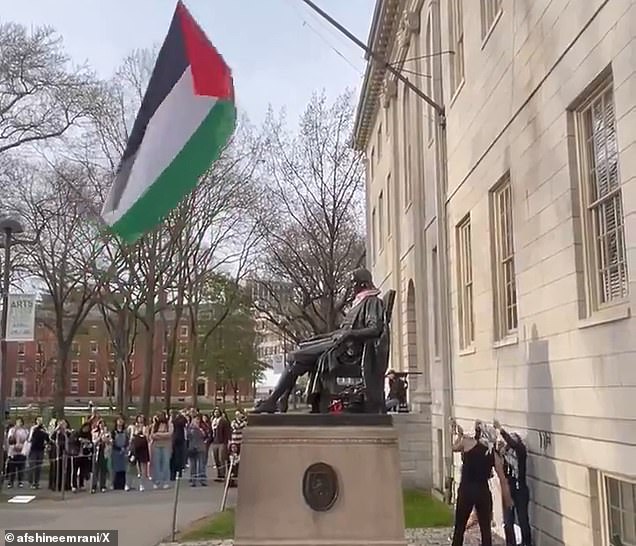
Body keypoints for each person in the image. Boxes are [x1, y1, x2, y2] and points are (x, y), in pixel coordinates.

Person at [254, 268, 387, 413]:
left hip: (348, 352)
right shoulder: (360, 302)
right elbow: (342, 331)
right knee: (301, 348)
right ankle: (281, 399)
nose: (351, 287)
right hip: (338, 344)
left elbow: (375, 329)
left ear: (363, 284)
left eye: (353, 283)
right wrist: (320, 337)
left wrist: (350, 334)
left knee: (296, 357)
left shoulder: (372, 302)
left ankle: (274, 400)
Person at [450, 418, 513, 546]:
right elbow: (502, 479)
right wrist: (507, 499)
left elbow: (453, 448)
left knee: (460, 527)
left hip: (466, 490)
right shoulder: (493, 455)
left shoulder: (467, 443)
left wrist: (458, 435)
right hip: (482, 491)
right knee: (485, 530)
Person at [494, 420, 532, 546]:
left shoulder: (520, 451)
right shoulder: (507, 456)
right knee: (508, 521)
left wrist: (501, 429)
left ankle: (527, 543)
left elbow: (514, 444)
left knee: (522, 519)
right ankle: (511, 543)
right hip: (510, 489)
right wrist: (500, 452)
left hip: (520, 489)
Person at [149, 412, 172, 489]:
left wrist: (158, 435)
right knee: (156, 464)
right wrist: (161, 435)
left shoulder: (168, 424)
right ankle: (156, 481)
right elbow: (152, 435)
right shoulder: (155, 425)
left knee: (166, 463)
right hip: (156, 446)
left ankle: (166, 481)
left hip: (166, 446)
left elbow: (169, 434)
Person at [6, 417, 29, 488]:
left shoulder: (25, 430)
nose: (19, 423)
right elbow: (10, 439)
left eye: (20, 422)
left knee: (21, 468)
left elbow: (27, 439)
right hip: (13, 451)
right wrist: (15, 430)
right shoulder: (12, 430)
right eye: (18, 422)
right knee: (12, 467)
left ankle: (20, 481)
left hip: (22, 451)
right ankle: (10, 482)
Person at [27, 416, 49, 489]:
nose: (40, 421)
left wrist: (45, 431)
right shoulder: (33, 428)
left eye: (41, 420)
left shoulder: (43, 429)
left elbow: (47, 438)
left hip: (41, 449)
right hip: (33, 449)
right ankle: (31, 482)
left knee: (38, 467)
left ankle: (36, 482)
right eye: (38, 420)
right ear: (36, 421)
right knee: (32, 466)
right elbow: (30, 438)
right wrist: (35, 428)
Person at [130, 415, 150, 491]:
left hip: (143, 448)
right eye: (139, 419)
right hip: (136, 448)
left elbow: (147, 437)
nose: (140, 421)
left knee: (143, 466)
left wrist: (143, 432)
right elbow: (132, 437)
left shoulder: (146, 427)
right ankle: (132, 483)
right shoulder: (134, 427)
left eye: (141, 420)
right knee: (136, 466)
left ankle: (142, 484)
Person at [210, 409, 230, 482]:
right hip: (215, 442)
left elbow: (227, 431)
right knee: (216, 459)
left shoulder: (223, 421)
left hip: (222, 442)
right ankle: (219, 475)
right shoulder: (213, 421)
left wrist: (227, 441)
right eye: (215, 412)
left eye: (217, 412)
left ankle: (222, 475)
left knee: (221, 459)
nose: (216, 413)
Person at [91, 419, 111, 493]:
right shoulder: (94, 432)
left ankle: (103, 485)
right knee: (95, 470)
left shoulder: (107, 432)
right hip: (97, 452)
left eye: (103, 424)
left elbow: (110, 441)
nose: (102, 425)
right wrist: (100, 437)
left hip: (104, 452)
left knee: (103, 470)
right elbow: (94, 441)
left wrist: (107, 439)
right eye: (100, 424)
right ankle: (94, 486)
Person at [186, 415, 207, 487]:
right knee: (193, 465)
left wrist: (200, 429)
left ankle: (202, 479)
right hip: (192, 448)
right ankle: (193, 480)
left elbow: (205, 435)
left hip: (201, 448)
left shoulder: (203, 427)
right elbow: (188, 437)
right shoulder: (189, 428)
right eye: (195, 420)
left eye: (198, 420)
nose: (197, 421)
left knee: (201, 465)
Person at [111, 416, 130, 491]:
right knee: (116, 468)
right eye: (119, 420)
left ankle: (123, 484)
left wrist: (124, 448)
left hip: (124, 451)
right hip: (116, 451)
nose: (120, 422)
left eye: (121, 420)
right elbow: (112, 442)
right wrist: (118, 448)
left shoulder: (125, 431)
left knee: (123, 468)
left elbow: (127, 441)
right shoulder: (113, 432)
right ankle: (115, 484)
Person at [170, 410, 187, 481]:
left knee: (178, 458)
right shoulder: (169, 420)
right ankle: (172, 474)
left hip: (178, 441)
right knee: (172, 459)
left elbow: (184, 422)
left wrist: (181, 416)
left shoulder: (179, 420)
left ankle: (178, 472)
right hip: (171, 441)